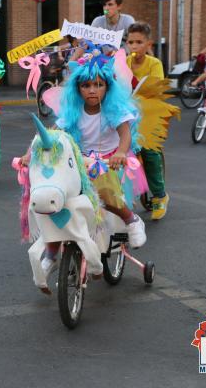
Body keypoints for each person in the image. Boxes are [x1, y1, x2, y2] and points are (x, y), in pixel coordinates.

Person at [21, 50, 148, 273]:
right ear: (77, 89)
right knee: (56, 197)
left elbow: (125, 134)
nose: (92, 90)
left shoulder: (113, 110)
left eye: (98, 84)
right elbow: (52, 134)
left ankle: (131, 219)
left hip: (109, 162)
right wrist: (29, 155)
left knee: (104, 191)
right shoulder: (73, 111)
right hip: (80, 162)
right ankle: (51, 251)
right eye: (86, 85)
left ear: (107, 87)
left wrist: (120, 152)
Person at [126, 22, 170, 220]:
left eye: (139, 42)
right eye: (130, 42)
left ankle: (160, 196)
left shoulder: (154, 64)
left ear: (148, 43)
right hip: (126, 115)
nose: (134, 46)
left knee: (150, 155)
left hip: (148, 115)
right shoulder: (123, 61)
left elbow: (155, 90)